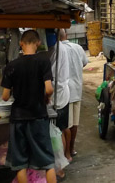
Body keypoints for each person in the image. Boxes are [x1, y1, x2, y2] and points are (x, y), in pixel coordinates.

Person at [2, 30, 57, 183]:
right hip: (38, 116)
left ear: (21, 43)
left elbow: (5, 96)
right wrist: (47, 97)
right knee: (48, 162)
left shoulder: (11, 66)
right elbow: (49, 89)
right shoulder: (44, 61)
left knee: (20, 163)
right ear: (38, 43)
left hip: (18, 118)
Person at [60, 29, 88, 160]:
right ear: (67, 35)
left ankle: (66, 153)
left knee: (66, 124)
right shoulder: (78, 47)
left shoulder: (57, 49)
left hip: (64, 92)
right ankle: (71, 149)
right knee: (74, 123)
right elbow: (84, 63)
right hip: (77, 89)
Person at [49, 30, 71, 169]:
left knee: (59, 130)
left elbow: (51, 73)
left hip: (59, 94)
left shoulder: (57, 48)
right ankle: (65, 156)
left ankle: (60, 164)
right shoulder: (59, 47)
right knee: (62, 128)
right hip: (62, 92)